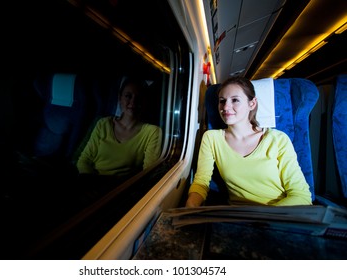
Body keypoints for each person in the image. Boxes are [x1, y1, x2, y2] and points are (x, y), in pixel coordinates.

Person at [186, 76, 312, 207]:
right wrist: (190, 207)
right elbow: (201, 182)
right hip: (239, 217)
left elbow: (301, 196)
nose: (226, 107)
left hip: (279, 214)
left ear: (252, 104)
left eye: (235, 100)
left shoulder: (278, 139)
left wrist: (263, 218)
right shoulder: (211, 138)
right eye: (222, 101)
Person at [76, 76, 162, 180]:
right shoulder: (103, 124)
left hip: (120, 190)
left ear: (145, 102)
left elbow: (148, 174)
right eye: (128, 96)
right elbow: (84, 161)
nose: (133, 102)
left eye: (138, 97)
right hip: (91, 183)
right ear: (120, 99)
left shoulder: (152, 132)